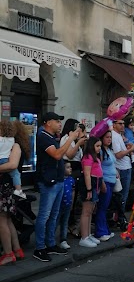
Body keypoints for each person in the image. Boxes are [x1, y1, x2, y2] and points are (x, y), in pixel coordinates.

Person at [34, 112, 80, 262]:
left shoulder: (52, 137)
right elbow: (57, 155)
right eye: (57, 121)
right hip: (49, 182)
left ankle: (50, 243)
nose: (60, 124)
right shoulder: (42, 137)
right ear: (47, 122)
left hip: (58, 180)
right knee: (44, 215)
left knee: (54, 214)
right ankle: (39, 248)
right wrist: (72, 138)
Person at [0, 141, 25, 265]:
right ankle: (16, 250)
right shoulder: (13, 145)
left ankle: (8, 253)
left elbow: (12, 165)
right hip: (7, 186)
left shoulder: (13, 145)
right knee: (7, 219)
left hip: (2, 187)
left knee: (2, 221)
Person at [79, 136, 103, 247]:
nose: (99, 148)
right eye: (97, 146)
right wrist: (89, 189)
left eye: (100, 146)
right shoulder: (88, 157)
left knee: (90, 211)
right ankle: (84, 236)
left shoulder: (95, 157)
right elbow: (87, 174)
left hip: (96, 184)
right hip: (90, 185)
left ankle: (88, 234)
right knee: (86, 212)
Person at [111, 118, 134, 229]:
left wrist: (127, 148)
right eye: (120, 123)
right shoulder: (115, 136)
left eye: (123, 124)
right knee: (121, 195)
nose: (122, 126)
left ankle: (118, 218)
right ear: (114, 124)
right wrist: (131, 150)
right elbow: (118, 154)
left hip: (125, 165)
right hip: (121, 167)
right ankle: (120, 219)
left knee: (122, 196)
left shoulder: (119, 135)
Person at [94, 130, 117, 241]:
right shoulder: (101, 151)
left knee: (106, 206)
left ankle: (105, 229)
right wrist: (102, 182)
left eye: (110, 137)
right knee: (102, 207)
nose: (109, 139)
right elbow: (99, 167)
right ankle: (100, 231)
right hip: (105, 181)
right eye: (107, 137)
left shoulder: (109, 150)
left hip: (112, 180)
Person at [0, 121, 26, 198]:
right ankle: (19, 190)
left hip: (4, 183)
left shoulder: (16, 145)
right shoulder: (12, 140)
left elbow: (13, 165)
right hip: (5, 159)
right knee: (15, 174)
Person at [56, 161, 75, 249]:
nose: (70, 169)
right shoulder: (59, 180)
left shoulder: (71, 179)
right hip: (59, 205)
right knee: (56, 222)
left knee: (65, 222)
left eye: (70, 167)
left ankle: (63, 239)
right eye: (67, 167)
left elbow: (73, 191)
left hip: (67, 203)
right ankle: (50, 238)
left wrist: (72, 202)